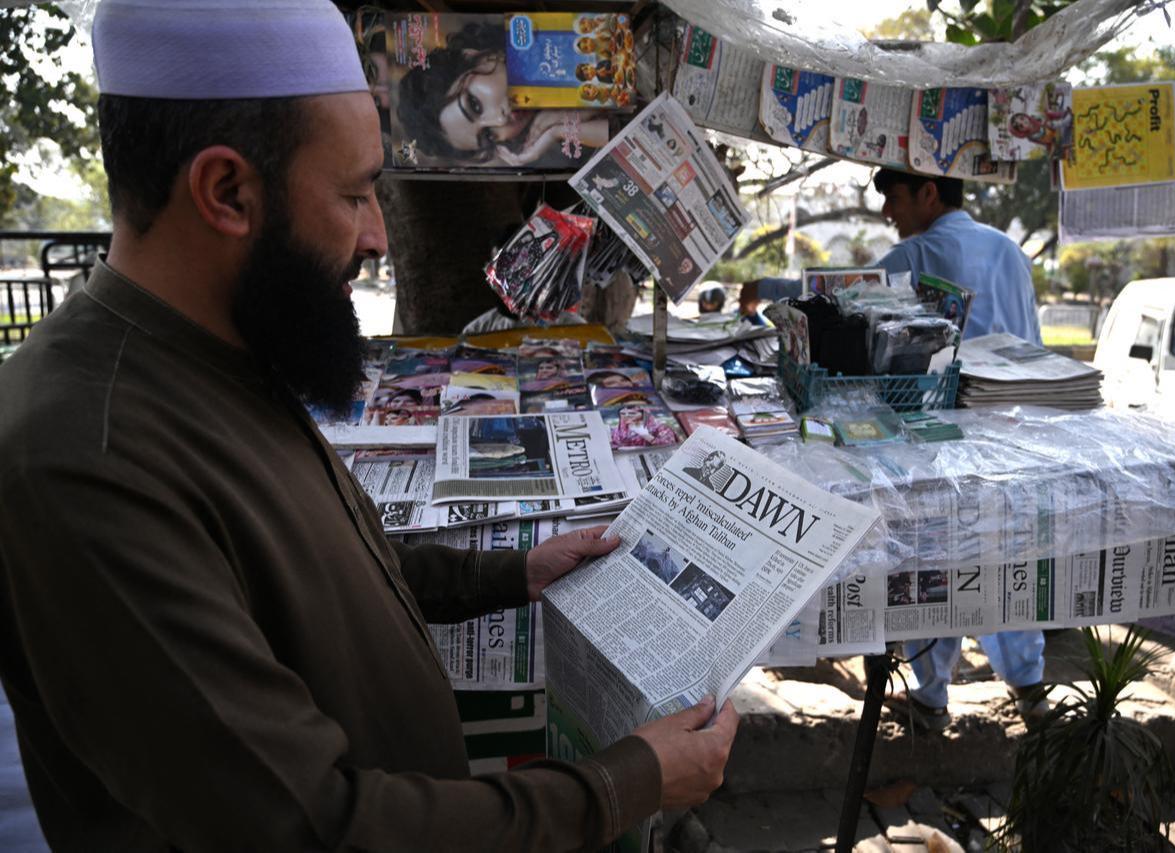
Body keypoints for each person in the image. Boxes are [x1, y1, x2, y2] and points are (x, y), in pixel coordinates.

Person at [0, 2, 738, 850]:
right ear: (226, 191)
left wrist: (512, 570)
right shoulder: (84, 461)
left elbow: (329, 559)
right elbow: (312, 824)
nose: (378, 236)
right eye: (354, 195)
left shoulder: (222, 344)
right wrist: (623, 784)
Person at [869, 167, 1047, 731]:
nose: (887, 214)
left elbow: (841, 304)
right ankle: (1030, 687)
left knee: (936, 559)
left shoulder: (914, 255)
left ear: (928, 193)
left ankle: (931, 693)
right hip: (1015, 435)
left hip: (943, 441)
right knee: (1006, 554)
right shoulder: (1009, 250)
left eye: (895, 199)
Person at [395, 21, 609, 168]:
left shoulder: (542, 29)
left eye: (475, 105)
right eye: (489, 135)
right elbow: (629, 130)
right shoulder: (554, 140)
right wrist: (559, 128)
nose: (500, 120)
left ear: (475, 57)